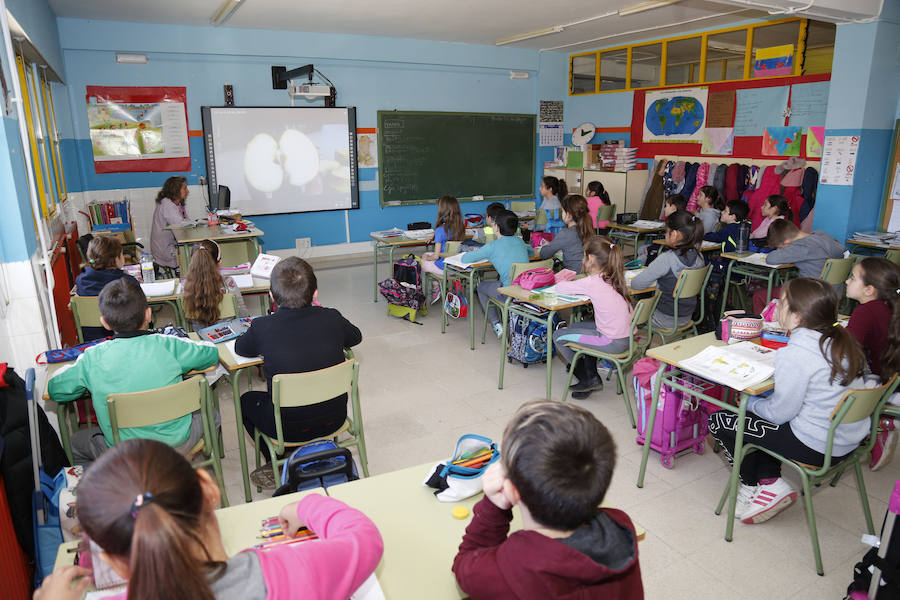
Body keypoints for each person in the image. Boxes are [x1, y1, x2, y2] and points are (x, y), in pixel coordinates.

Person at [32, 438, 383, 600]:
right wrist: (305, 505)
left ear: (111, 564)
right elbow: (365, 539)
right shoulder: (295, 570)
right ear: (208, 488)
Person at [708, 278, 868, 524]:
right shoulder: (843, 340)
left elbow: (778, 414)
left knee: (721, 421)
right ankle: (768, 481)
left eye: (782, 302)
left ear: (796, 317)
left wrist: (748, 402)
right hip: (845, 440)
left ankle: (754, 485)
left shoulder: (797, 353)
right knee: (759, 418)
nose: (775, 305)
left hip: (815, 446)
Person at [452, 400, 643, 599]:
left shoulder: (509, 571)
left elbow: (464, 566)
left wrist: (494, 508)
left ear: (512, 489)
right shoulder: (621, 526)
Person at [48, 278, 219, 464]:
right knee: (212, 414)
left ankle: (118, 487)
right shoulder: (170, 345)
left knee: (74, 444)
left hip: (125, 452)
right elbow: (211, 353)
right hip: (176, 444)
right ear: (148, 314)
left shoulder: (91, 358)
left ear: (104, 323)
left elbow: (55, 389)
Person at [234, 257, 362, 488]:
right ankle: (320, 450)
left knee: (246, 400)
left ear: (271, 296)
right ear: (315, 294)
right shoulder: (332, 317)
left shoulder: (262, 327)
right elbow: (356, 337)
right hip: (334, 418)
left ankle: (282, 460)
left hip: (287, 429)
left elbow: (241, 348)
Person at [552, 236, 633, 399]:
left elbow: (560, 288)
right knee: (576, 327)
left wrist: (561, 277)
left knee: (558, 336)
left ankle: (586, 376)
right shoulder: (614, 276)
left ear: (590, 258)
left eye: (584, 256)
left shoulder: (592, 282)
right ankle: (590, 371)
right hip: (626, 338)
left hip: (611, 341)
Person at [845, 257, 900, 470]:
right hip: (895, 381)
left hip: (886, 388)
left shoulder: (865, 312)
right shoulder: (889, 305)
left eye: (853, 277)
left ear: (869, 290)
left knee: (837, 379)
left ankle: (877, 424)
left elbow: (844, 355)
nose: (847, 282)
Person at [631, 210, 705, 331]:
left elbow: (636, 284)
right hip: (686, 316)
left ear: (675, 234)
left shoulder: (667, 259)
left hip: (664, 318)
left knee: (624, 307)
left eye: (666, 232)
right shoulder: (699, 258)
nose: (665, 235)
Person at [752, 219, 847, 313]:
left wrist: (780, 251)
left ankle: (764, 327)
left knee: (759, 296)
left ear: (787, 243)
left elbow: (771, 258)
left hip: (811, 296)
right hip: (834, 294)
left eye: (780, 248)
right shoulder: (821, 236)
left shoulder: (801, 247)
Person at [461, 211, 530, 338]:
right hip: (528, 290)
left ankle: (497, 324)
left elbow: (465, 259)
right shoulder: (521, 242)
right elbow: (532, 252)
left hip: (509, 293)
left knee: (481, 287)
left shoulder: (492, 246)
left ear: (496, 227)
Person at [76, 235, 140, 341]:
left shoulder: (81, 280)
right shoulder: (127, 282)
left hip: (91, 339)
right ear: (116, 259)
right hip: (123, 337)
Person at [183, 239, 249, 330]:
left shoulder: (185, 287)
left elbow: (187, 318)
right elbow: (242, 314)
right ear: (218, 262)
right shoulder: (229, 283)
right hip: (229, 335)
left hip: (200, 339)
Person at [421, 195, 467, 302]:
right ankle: (442, 285)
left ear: (442, 210)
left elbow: (436, 256)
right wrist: (435, 239)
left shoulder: (440, 230)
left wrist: (426, 258)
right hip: (456, 267)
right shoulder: (460, 228)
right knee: (431, 255)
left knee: (424, 257)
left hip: (443, 268)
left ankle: (437, 286)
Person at [536, 194, 593, 272]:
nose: (561, 213)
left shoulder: (566, 233)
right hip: (586, 274)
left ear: (568, 215)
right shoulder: (588, 229)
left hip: (572, 276)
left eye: (562, 211)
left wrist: (547, 245)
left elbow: (544, 254)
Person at [150, 176, 193, 276]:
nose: (188, 191)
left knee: (197, 247)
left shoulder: (176, 204)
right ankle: (188, 279)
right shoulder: (168, 206)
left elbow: (186, 222)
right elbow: (181, 227)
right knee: (198, 251)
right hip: (165, 250)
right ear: (176, 190)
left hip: (169, 245)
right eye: (185, 188)